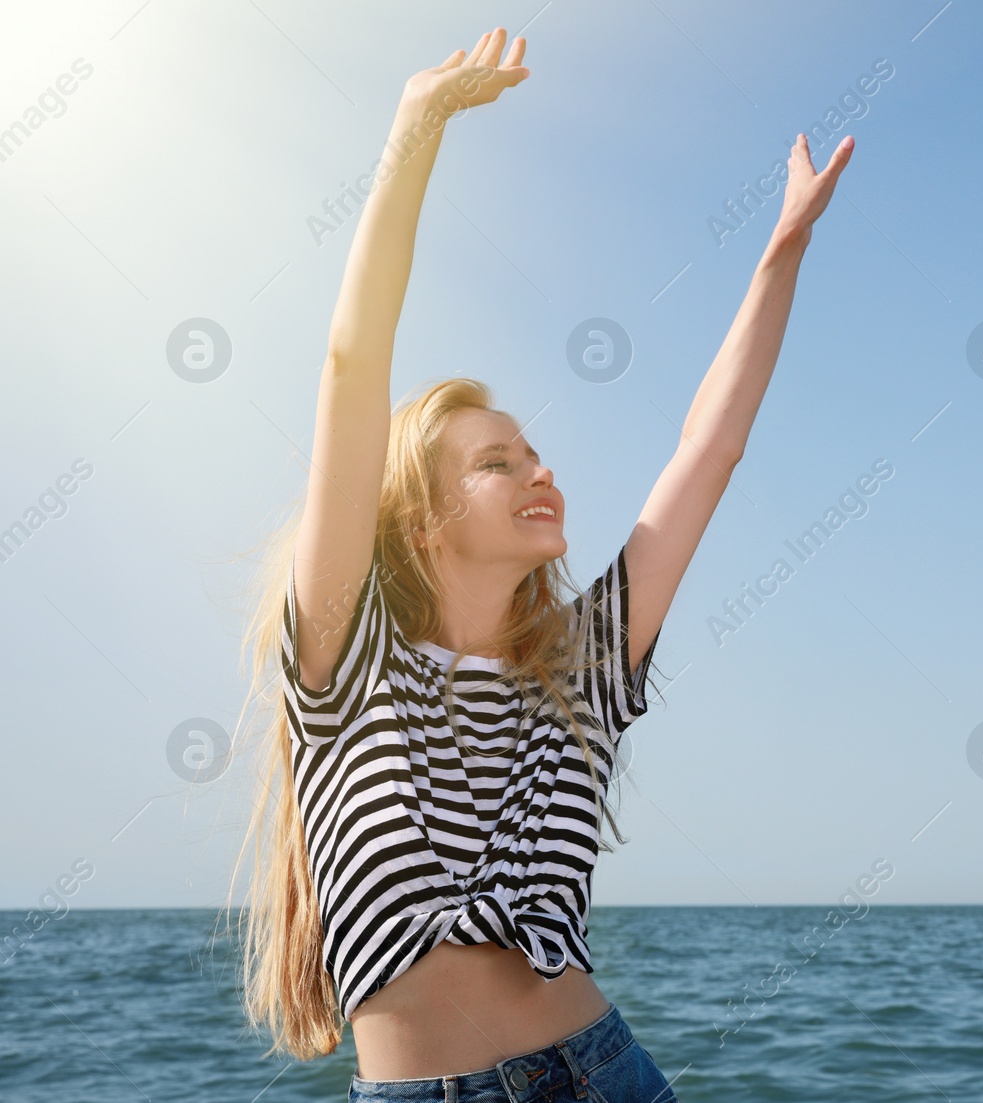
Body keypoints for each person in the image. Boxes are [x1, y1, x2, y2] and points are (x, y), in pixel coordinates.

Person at [226, 27, 852, 1102]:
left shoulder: (584, 670)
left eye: (535, 448)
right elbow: (349, 365)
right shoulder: (341, 662)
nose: (538, 469)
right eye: (495, 460)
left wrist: (781, 250)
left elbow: (711, 447)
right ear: (421, 516)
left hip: (608, 1073)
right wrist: (417, 127)